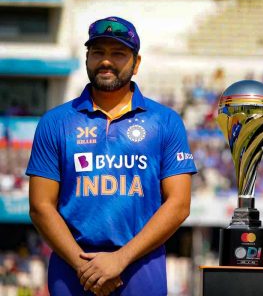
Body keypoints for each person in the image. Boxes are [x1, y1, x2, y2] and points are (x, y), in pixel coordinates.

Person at [26, 16, 197, 296]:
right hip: (73, 268)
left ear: (136, 63)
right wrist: (84, 267)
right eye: (98, 53)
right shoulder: (55, 122)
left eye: (118, 53)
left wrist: (121, 259)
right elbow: (41, 206)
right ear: (87, 58)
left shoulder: (165, 121)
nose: (106, 61)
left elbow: (178, 204)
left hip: (141, 265)